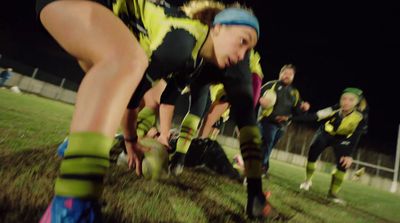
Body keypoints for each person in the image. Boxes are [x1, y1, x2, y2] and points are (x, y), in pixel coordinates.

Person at [36, 0, 267, 221]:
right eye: (242, 41)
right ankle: (71, 207)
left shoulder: (191, 59)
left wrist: (132, 139)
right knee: (127, 64)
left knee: (113, 75)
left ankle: (76, 148)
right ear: (218, 28)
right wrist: (131, 138)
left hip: (102, 14)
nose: (241, 56)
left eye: (249, 50)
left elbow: (142, 98)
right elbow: (134, 99)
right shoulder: (184, 38)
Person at [296, 87, 367, 204]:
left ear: (356, 102)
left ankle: (333, 193)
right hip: (325, 133)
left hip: (342, 139)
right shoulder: (334, 108)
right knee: (313, 151)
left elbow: (356, 136)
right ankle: (307, 181)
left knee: (343, 163)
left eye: (350, 100)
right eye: (344, 99)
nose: (346, 102)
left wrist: (349, 154)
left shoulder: (360, 117)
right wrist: (290, 118)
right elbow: (315, 116)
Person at [257, 64, 310, 176]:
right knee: (267, 142)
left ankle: (263, 166)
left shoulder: (294, 92)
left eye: (290, 74)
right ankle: (260, 167)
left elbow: (298, 111)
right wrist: (260, 100)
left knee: (269, 146)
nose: (287, 76)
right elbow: (256, 94)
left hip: (282, 125)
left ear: (293, 76)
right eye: (285, 73)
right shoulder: (271, 85)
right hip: (267, 121)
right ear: (280, 74)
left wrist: (304, 108)